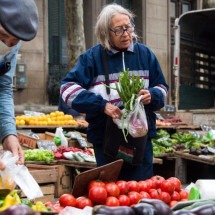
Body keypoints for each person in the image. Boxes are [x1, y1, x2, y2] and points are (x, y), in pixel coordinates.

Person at [60, 3, 169, 180]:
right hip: (105, 138)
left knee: (141, 190)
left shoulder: (145, 55)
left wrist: (152, 95)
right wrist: (102, 105)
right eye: (118, 30)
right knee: (111, 190)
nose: (126, 34)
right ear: (105, 32)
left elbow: (162, 88)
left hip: (139, 138)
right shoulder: (92, 58)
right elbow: (67, 89)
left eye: (128, 27)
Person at [0, 0, 39, 170]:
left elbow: (3, 87)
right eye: (3, 35)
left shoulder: (11, 41)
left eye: (16, 40)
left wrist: (9, 134)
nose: (9, 43)